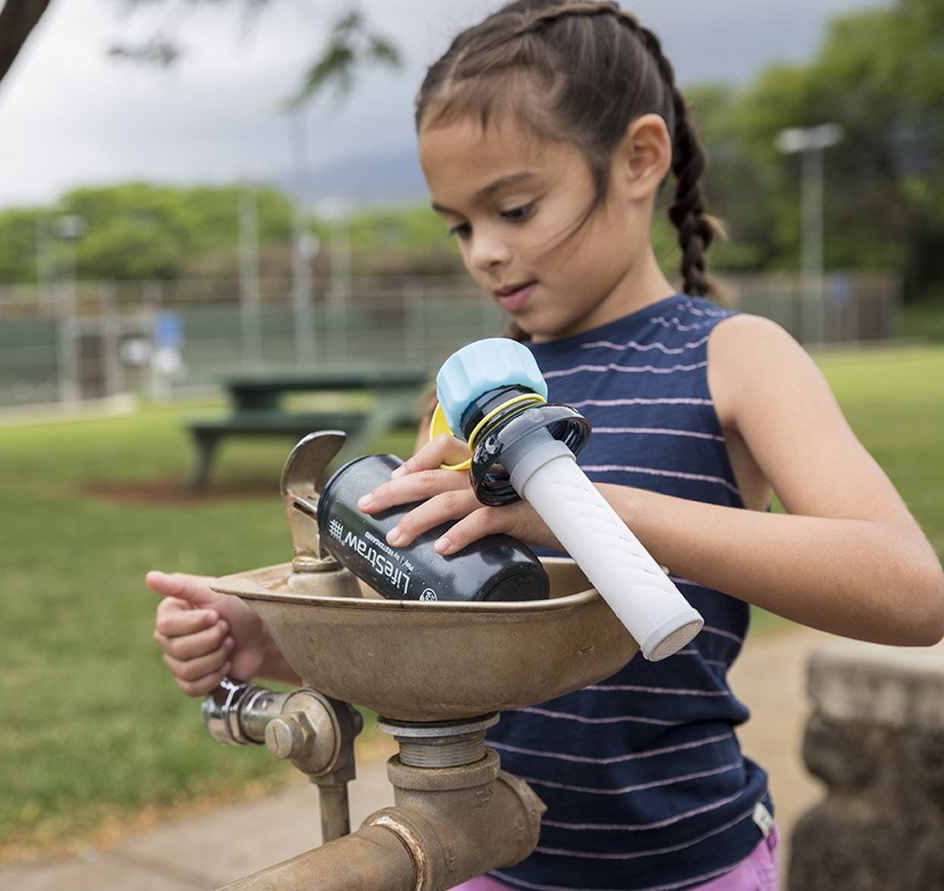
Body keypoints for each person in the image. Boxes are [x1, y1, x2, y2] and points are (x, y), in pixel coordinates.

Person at [149, 1, 944, 888]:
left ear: (639, 159)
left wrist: (589, 511)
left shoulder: (735, 357)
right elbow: (430, 626)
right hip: (481, 856)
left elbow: (912, 591)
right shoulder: (464, 398)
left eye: (516, 207)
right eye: (459, 224)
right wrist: (282, 641)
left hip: (691, 865)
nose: (484, 252)